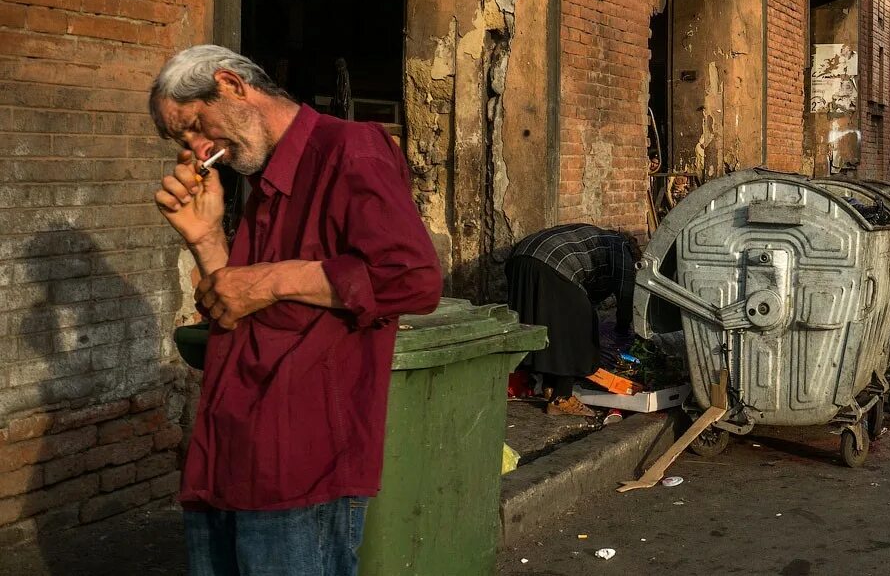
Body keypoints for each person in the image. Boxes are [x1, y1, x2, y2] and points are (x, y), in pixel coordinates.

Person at [149, 45, 442, 576]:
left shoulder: (349, 151)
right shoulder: (261, 184)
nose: (197, 150)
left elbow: (413, 278)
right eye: (182, 141)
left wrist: (274, 277)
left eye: (195, 126)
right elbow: (243, 313)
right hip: (226, 454)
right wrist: (207, 238)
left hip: (300, 467)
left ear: (232, 85)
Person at [505, 223, 641, 416]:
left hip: (520, 258)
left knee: (545, 327)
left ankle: (549, 386)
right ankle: (563, 397)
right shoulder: (622, 252)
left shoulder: (596, 238)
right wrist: (622, 330)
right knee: (579, 328)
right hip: (553, 263)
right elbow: (626, 298)